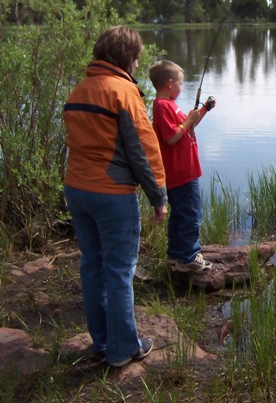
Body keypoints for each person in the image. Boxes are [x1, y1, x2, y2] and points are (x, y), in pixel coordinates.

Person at [63, 25, 168, 368]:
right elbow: (142, 150)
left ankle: (103, 341)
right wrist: (158, 196)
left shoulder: (79, 89)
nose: (138, 64)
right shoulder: (123, 91)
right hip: (111, 195)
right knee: (120, 271)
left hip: (76, 190)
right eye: (137, 58)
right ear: (128, 58)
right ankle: (123, 350)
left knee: (92, 265)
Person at [149, 60, 216, 273]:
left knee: (179, 215)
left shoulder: (168, 105)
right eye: (180, 83)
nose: (181, 86)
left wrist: (203, 109)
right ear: (169, 84)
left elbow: (187, 126)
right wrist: (187, 121)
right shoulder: (162, 106)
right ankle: (188, 257)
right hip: (182, 173)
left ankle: (175, 256)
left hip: (183, 172)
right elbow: (171, 137)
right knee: (191, 214)